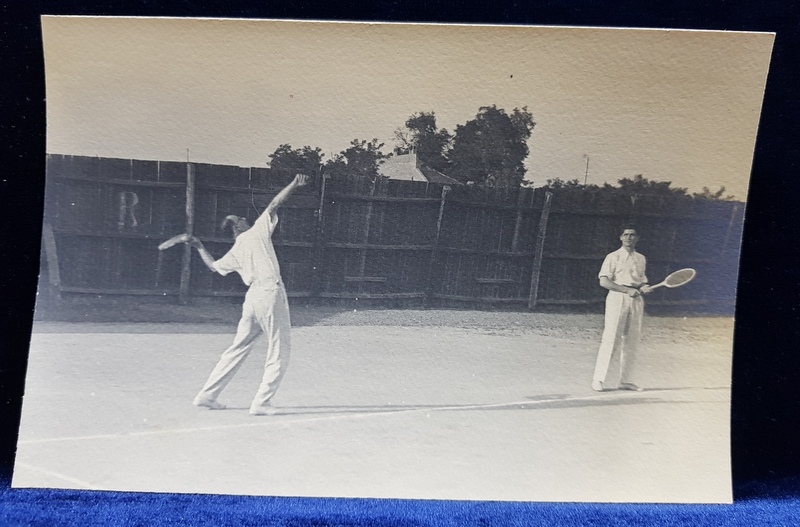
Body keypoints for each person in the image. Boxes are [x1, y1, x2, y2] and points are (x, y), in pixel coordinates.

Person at [186, 173, 309, 415]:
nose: (245, 218)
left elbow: (213, 267)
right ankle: (262, 402)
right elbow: (274, 204)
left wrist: (200, 246)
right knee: (279, 349)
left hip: (252, 299)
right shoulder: (256, 233)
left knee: (238, 347)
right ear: (236, 227)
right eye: (240, 218)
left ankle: (207, 395)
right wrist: (294, 184)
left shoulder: (235, 250)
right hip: (270, 292)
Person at [591, 224, 653, 392]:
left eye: (632, 235)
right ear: (620, 237)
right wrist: (626, 290)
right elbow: (604, 281)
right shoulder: (613, 257)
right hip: (617, 298)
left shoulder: (641, 258)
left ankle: (626, 381)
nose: (629, 238)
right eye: (625, 234)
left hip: (636, 300)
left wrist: (645, 286)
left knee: (632, 341)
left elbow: (641, 281)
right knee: (611, 338)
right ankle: (599, 379)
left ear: (637, 238)